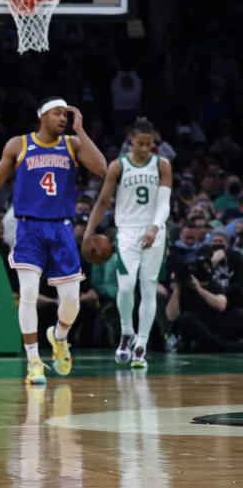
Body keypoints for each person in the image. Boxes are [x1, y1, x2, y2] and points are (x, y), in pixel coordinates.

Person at [0, 98, 107, 384]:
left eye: (66, 115)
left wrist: (81, 130)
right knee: (27, 294)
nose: (62, 119)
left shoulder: (73, 144)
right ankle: (33, 361)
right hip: (28, 228)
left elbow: (101, 168)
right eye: (57, 114)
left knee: (72, 302)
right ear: (42, 115)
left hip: (62, 228)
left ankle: (59, 337)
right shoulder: (19, 144)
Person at [83, 118, 172, 370]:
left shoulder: (162, 165)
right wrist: (89, 232)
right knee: (125, 286)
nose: (145, 148)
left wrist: (155, 227)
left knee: (148, 288)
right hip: (127, 232)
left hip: (154, 230)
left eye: (149, 144)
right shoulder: (118, 166)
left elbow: (164, 202)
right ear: (131, 140)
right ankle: (126, 332)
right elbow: (102, 202)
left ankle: (141, 346)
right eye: (140, 143)